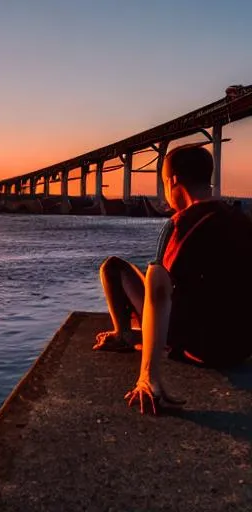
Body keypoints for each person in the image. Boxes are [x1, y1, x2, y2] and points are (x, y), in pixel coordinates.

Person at [94, 143, 252, 414]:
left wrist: (148, 376)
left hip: (198, 348)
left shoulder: (180, 225)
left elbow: (157, 294)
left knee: (113, 267)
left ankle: (123, 335)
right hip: (238, 349)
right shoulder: (243, 220)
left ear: (173, 180)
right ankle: (134, 336)